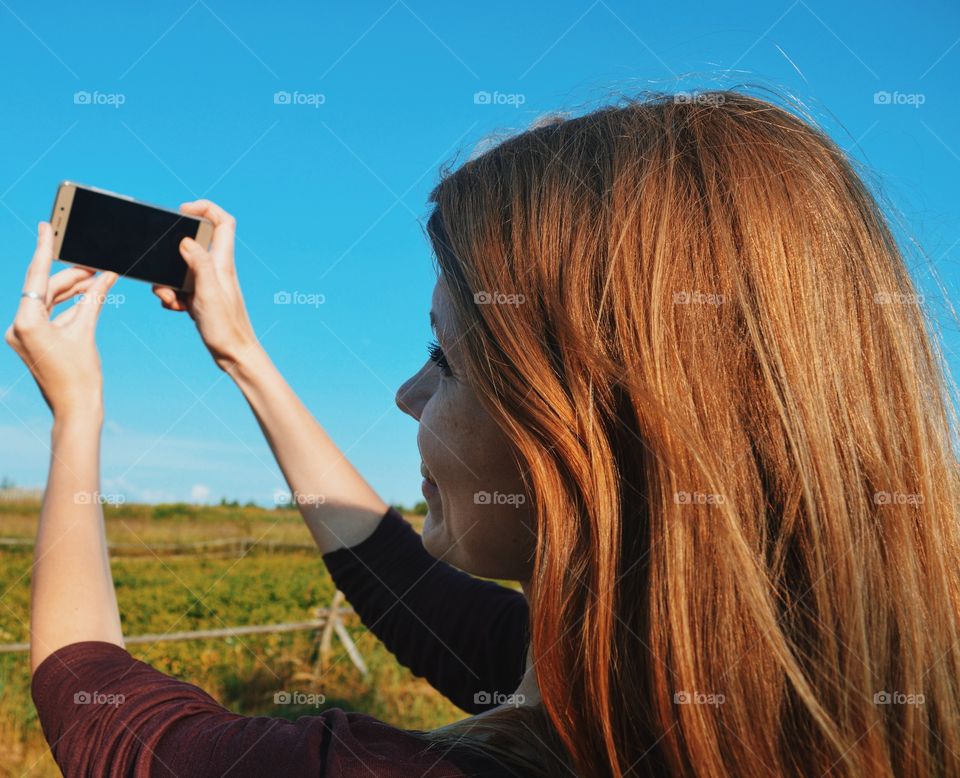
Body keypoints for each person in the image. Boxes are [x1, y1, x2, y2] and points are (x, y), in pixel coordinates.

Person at [7, 90, 960, 777]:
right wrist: (243, 354)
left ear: (587, 423)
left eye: (447, 358)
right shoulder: (713, 701)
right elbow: (408, 592)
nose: (408, 396)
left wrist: (78, 413)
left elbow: (84, 690)